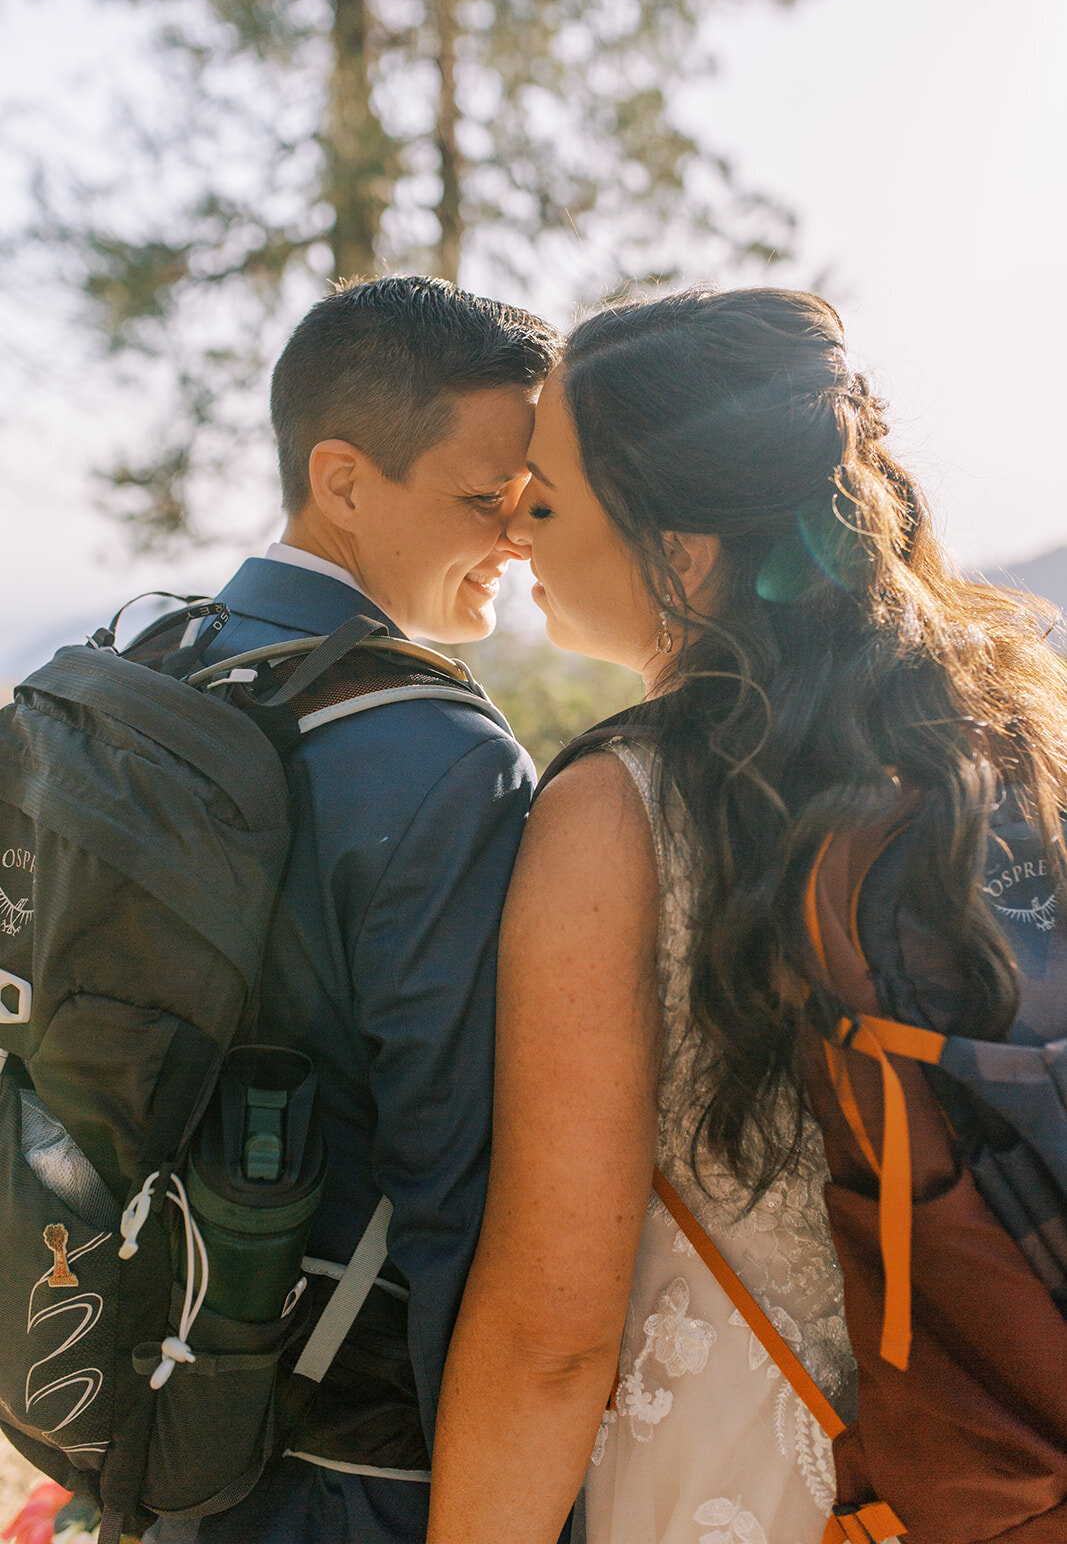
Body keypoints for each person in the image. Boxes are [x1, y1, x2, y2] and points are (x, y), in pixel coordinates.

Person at [425, 288, 1067, 1544]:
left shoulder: (621, 811)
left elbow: (551, 1336)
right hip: (992, 1456)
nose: (513, 531)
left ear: (687, 548)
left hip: (754, 1483)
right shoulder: (1009, 751)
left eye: (544, 500)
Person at [149, 274, 560, 1544]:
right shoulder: (440, 754)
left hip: (149, 1386)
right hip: (353, 1461)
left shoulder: (149, 668)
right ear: (341, 480)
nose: (521, 537)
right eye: (484, 500)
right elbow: (462, 1186)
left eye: (531, 498)